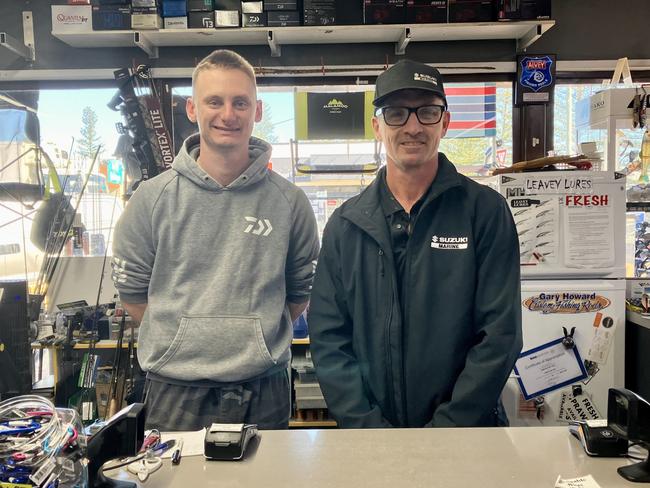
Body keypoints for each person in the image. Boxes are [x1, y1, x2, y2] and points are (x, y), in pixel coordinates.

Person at [111, 49, 319, 431]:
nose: (228, 114)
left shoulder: (290, 202)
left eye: (241, 102)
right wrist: (183, 340)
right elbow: (132, 294)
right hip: (174, 393)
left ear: (257, 111)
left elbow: (298, 294)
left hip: (264, 388)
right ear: (192, 109)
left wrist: (251, 338)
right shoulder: (151, 198)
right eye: (215, 101)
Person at [308, 59, 522, 429]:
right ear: (377, 126)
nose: (412, 126)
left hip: (467, 434)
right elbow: (329, 339)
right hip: (371, 440)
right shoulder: (345, 225)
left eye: (426, 112)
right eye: (395, 113)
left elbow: (500, 335)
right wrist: (366, 426)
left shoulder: (484, 212)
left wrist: (448, 429)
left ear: (445, 122)